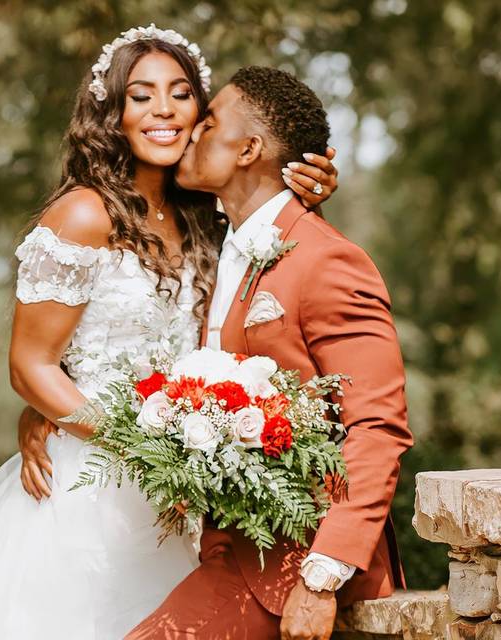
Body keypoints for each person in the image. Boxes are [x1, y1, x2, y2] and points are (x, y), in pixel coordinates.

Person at [0, 26, 337, 640]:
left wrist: (312, 189)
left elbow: (276, 276)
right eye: (141, 96)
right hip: (88, 492)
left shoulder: (208, 221)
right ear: (112, 114)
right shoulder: (82, 215)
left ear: (201, 111)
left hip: (182, 493)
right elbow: (31, 367)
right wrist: (145, 445)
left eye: (180, 93)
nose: (163, 110)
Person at [123, 67, 413, 640]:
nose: (189, 131)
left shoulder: (327, 260)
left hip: (293, 566)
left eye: (207, 123)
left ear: (248, 148)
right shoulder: (215, 245)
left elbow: (377, 427)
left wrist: (322, 576)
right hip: (222, 549)